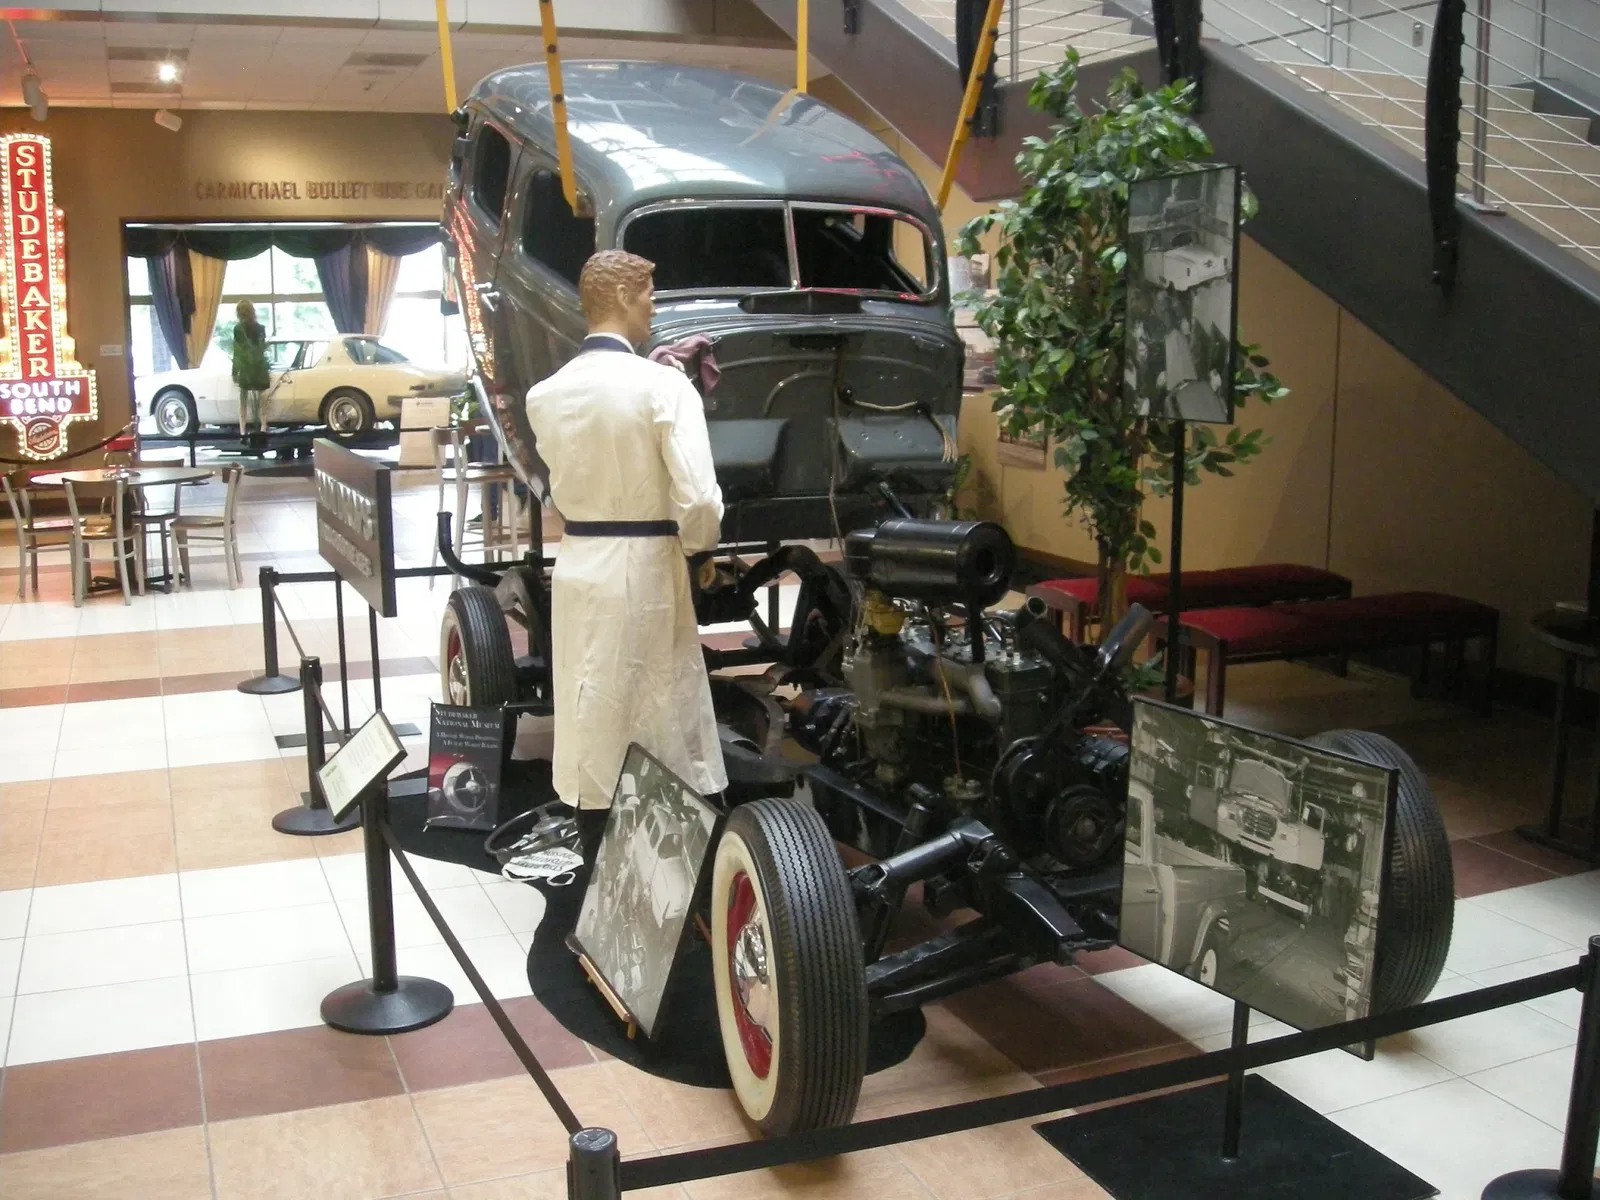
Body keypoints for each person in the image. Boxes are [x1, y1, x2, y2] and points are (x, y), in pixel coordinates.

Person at [525, 249, 727, 825]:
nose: (654, 307)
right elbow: (699, 499)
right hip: (646, 561)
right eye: (648, 295)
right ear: (620, 297)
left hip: (579, 560)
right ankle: (664, 839)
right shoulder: (662, 387)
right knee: (658, 701)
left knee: (589, 696)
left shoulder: (545, 394)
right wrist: (700, 547)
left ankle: (593, 828)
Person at [231, 301, 270, 437]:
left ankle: (243, 431)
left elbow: (237, 351)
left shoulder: (237, 329)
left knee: (243, 401)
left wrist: (234, 371)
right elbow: (262, 349)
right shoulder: (261, 328)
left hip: (245, 367)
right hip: (259, 367)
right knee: (262, 401)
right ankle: (263, 427)